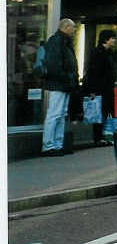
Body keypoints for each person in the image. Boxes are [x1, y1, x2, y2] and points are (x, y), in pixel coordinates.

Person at [41, 18, 79, 156]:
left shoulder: (60, 41)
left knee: (60, 114)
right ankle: (50, 145)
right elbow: (55, 65)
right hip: (59, 83)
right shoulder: (59, 41)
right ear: (66, 27)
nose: (74, 30)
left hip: (62, 83)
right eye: (73, 27)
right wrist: (67, 77)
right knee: (56, 114)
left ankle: (55, 145)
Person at [83, 29, 117, 146]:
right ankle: (98, 138)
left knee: (108, 112)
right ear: (106, 39)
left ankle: (107, 135)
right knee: (99, 112)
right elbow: (93, 72)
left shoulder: (110, 53)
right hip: (100, 88)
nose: (114, 40)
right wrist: (92, 90)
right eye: (113, 38)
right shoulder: (98, 53)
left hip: (109, 88)